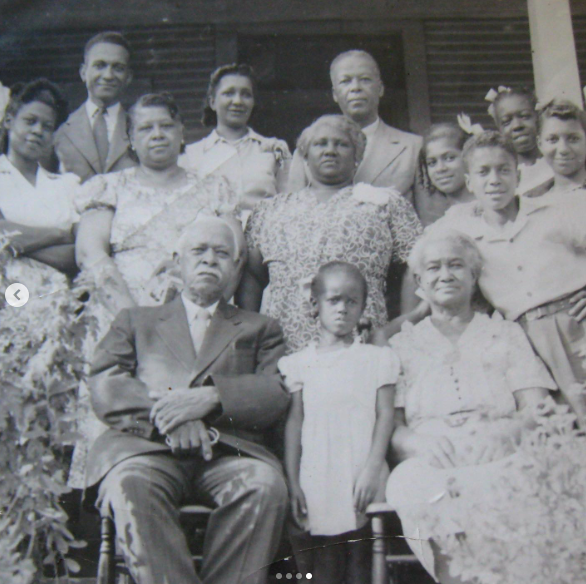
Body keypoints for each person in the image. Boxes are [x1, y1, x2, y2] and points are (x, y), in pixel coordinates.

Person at [84, 216, 289, 584]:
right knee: (129, 483)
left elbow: (274, 392)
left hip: (229, 453)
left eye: (222, 253)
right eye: (199, 251)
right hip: (148, 450)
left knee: (264, 485)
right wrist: (173, 413)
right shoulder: (135, 320)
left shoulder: (261, 327)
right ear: (176, 262)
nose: (210, 260)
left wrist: (212, 397)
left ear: (237, 267)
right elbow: (105, 382)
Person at [69, 92, 237, 487]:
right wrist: (136, 319)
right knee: (119, 405)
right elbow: (91, 254)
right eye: (145, 128)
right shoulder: (107, 187)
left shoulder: (214, 189)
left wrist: (181, 313)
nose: (157, 135)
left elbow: (233, 251)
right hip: (119, 312)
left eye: (165, 125)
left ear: (182, 133)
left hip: (193, 315)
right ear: (130, 139)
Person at [385, 228, 556, 584]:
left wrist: (510, 433)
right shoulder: (403, 345)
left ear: (474, 276)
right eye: (433, 267)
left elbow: (539, 409)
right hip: (431, 458)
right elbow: (393, 426)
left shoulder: (505, 333)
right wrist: (418, 444)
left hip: (501, 453)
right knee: (412, 484)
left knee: (527, 481)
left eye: (456, 265)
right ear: (419, 279)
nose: (445, 275)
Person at [435, 130, 586, 421]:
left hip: (577, 323)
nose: (494, 180)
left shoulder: (555, 211)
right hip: (525, 342)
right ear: (469, 182)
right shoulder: (461, 233)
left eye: (504, 170)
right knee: (562, 428)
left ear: (517, 176)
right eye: (483, 172)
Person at [239, 114, 423, 352]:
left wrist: (401, 328)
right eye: (320, 144)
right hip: (283, 348)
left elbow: (415, 265)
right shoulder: (271, 210)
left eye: (341, 144)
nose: (330, 150)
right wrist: (252, 336)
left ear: (358, 155)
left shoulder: (385, 204)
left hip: (361, 343)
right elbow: (251, 275)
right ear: (305, 155)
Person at [280, 261, 397, 584]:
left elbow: (386, 414)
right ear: (315, 305)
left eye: (352, 301)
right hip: (318, 468)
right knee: (323, 563)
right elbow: (294, 424)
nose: (343, 309)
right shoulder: (299, 363)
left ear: (362, 306)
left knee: (361, 557)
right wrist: (292, 481)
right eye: (333, 300)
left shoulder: (377, 358)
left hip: (363, 466)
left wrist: (373, 467)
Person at [287, 50, 423, 206]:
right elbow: (293, 214)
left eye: (365, 80)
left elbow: (430, 219)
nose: (355, 88)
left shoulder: (413, 147)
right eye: (345, 81)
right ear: (335, 94)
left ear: (380, 89)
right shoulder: (308, 148)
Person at [0, 79, 79, 297]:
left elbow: (78, 254)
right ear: (8, 121)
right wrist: (58, 234)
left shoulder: (67, 184)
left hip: (61, 298)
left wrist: (16, 246)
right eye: (30, 121)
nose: (38, 131)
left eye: (47, 126)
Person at [179, 63, 291, 218]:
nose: (238, 101)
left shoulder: (274, 150)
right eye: (229, 93)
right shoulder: (192, 155)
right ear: (212, 102)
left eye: (246, 94)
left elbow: (290, 204)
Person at [54, 31, 137, 182]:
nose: (108, 75)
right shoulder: (61, 130)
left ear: (128, 77)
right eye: (100, 66)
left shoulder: (140, 127)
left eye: (118, 68)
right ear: (83, 72)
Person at [487, 85, 553, 197]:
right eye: (506, 122)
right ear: (499, 129)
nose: (517, 126)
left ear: (538, 117)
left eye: (524, 116)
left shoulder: (557, 159)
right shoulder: (501, 174)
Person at [418, 123, 474, 225]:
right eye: (432, 163)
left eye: (449, 158)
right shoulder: (438, 225)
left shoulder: (490, 211)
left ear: (469, 157)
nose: (440, 168)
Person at [537, 98, 586, 196]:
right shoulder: (534, 200)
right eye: (552, 139)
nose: (563, 149)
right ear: (540, 144)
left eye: (573, 139)